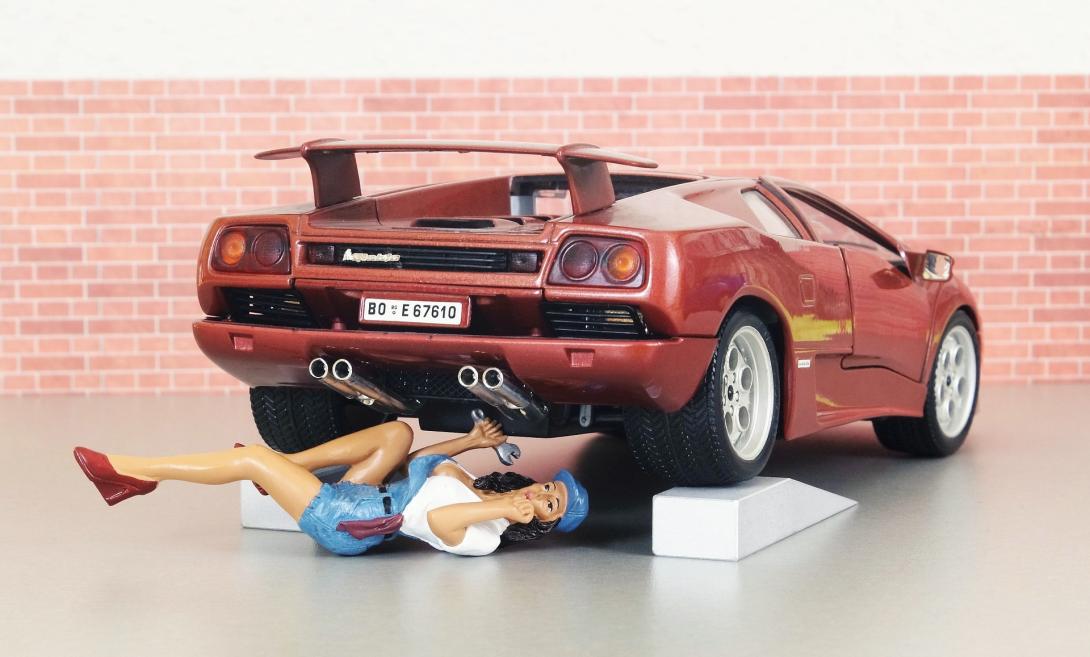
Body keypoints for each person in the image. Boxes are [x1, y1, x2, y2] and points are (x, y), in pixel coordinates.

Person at [73, 418, 589, 556]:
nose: (542, 496)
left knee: (252, 459)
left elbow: (437, 520)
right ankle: (287, 467)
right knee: (397, 434)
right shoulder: (477, 485)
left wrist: (501, 509)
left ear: (540, 523)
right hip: (363, 493)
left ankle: (137, 473)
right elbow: (418, 465)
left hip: (346, 523)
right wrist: (471, 442)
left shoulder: (487, 537)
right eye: (550, 489)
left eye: (550, 506)